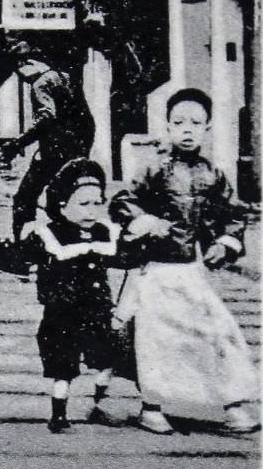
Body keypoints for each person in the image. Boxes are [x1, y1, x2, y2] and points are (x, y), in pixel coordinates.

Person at [109, 88, 259, 434]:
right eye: (178, 123)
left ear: (207, 127)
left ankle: (233, 404)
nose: (187, 130)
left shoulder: (212, 174)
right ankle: (152, 406)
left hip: (191, 270)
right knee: (156, 340)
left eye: (195, 123)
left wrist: (225, 241)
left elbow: (233, 214)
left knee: (218, 331)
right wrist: (145, 221)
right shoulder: (154, 169)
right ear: (167, 126)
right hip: (156, 271)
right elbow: (122, 201)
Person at [21, 158, 122, 433]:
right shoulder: (51, 235)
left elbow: (124, 257)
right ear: (63, 205)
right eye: (83, 204)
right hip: (61, 312)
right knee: (63, 365)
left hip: (97, 309)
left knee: (108, 356)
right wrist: (17, 249)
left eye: (97, 203)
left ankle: (98, 401)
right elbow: (22, 258)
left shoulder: (105, 233)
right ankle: (59, 413)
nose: (92, 211)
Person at [0, 41, 95, 274]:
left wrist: (17, 143)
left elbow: (46, 118)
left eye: (19, 71)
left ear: (26, 64)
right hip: (75, 151)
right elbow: (88, 122)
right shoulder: (66, 77)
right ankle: (72, 253)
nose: (21, 77)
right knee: (60, 201)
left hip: (53, 153)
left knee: (24, 200)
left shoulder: (41, 83)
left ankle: (22, 256)